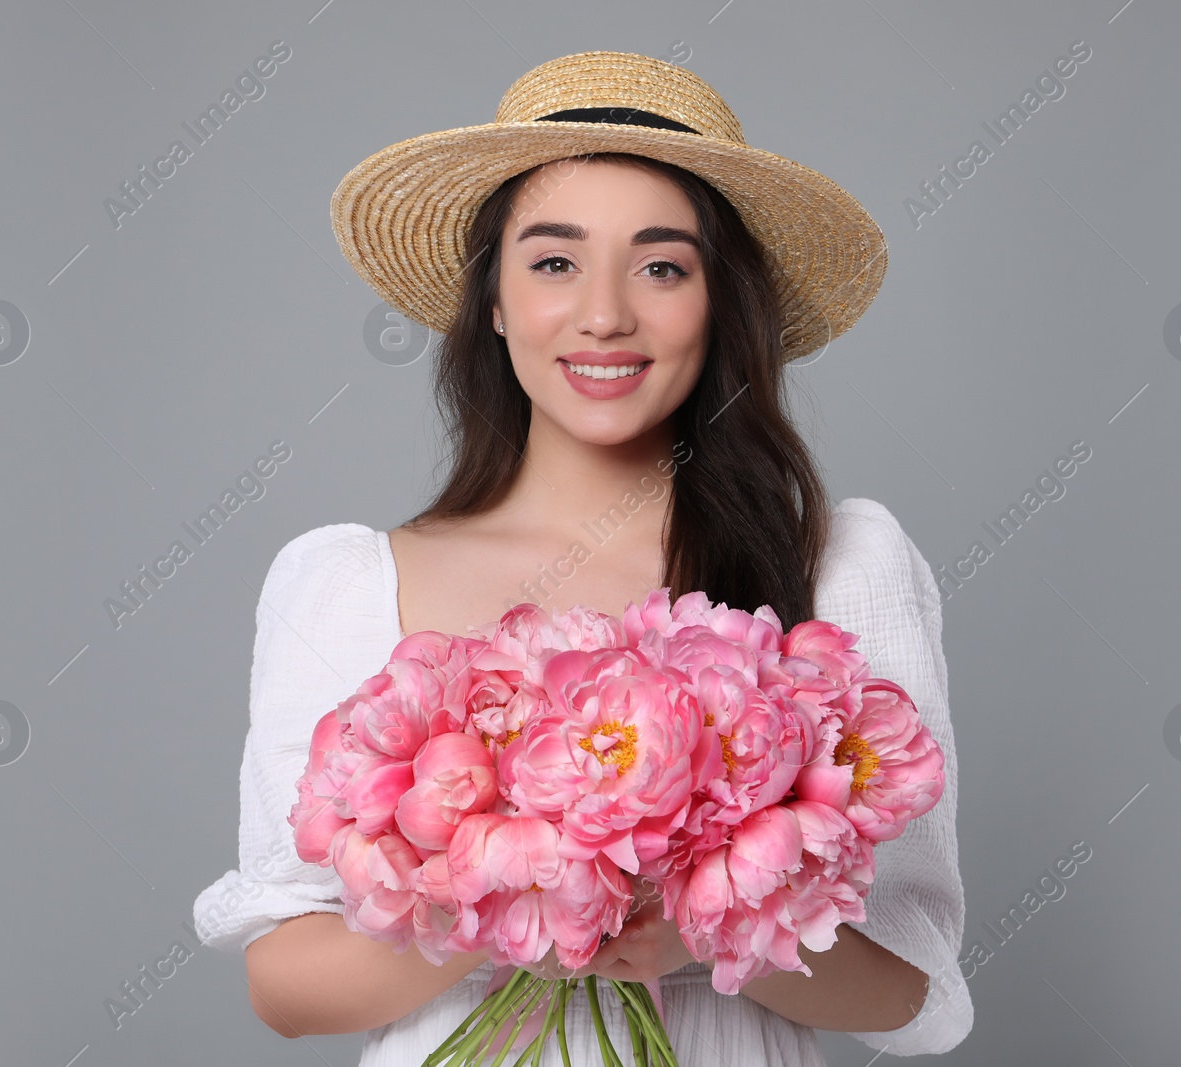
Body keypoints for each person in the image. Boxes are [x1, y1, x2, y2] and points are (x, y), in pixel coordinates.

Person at [193, 50, 972, 1064]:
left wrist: (707, 923)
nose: (604, 313)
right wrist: (519, 896)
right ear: (495, 302)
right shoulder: (344, 586)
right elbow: (284, 982)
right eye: (553, 261)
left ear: (719, 304)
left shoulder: (839, 566)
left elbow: (920, 996)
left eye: (661, 266)